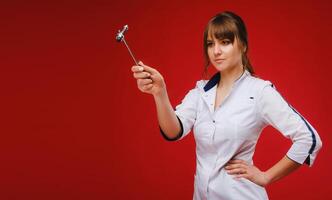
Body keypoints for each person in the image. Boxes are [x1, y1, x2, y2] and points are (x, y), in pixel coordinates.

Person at [131, 11, 322, 200]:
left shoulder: (259, 92)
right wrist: (160, 93)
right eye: (210, 44)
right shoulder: (200, 92)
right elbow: (174, 132)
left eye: (225, 42)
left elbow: (309, 139)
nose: (216, 51)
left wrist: (266, 176)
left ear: (243, 46)